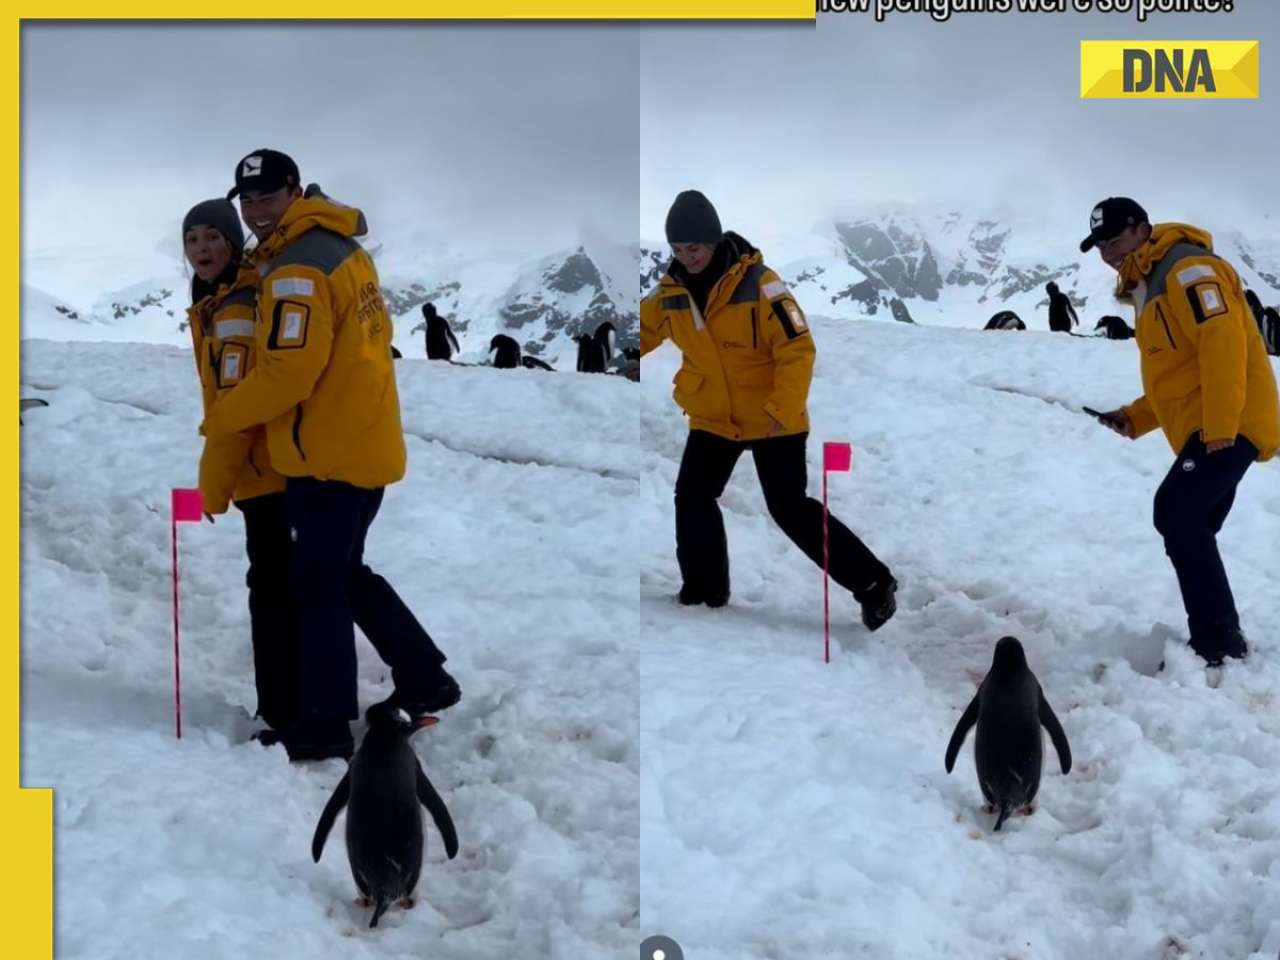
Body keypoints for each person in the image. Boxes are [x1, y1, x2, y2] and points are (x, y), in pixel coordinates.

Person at [200, 149, 460, 761]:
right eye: (248, 200)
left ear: (293, 190)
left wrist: (221, 419)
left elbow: (289, 370)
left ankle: (322, 725)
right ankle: (426, 676)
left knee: (315, 584)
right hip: (359, 438)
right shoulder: (339, 245)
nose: (256, 211)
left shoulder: (299, 266)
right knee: (341, 573)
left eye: (267, 196)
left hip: (327, 453)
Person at [640, 190, 897, 630]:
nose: (687, 257)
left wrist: (784, 404)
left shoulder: (762, 284)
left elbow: (798, 347)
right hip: (714, 418)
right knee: (694, 496)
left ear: (714, 241)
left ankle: (875, 584)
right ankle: (704, 591)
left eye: (695, 248)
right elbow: (639, 332)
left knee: (789, 508)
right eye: (678, 250)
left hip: (772, 416)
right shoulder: (670, 294)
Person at [1085, 197, 1279, 666]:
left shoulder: (1187, 269)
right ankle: (1218, 637)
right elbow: (1179, 376)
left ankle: (1218, 644)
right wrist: (1135, 416)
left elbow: (1223, 343)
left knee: (1177, 512)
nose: (1108, 252)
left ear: (1141, 229)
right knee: (1188, 523)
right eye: (1099, 245)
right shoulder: (1149, 284)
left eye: (1115, 239)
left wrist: (1220, 425)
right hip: (1212, 422)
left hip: (1232, 422)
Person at [183, 198, 299, 742]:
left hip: (266, 473)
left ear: (232, 241)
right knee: (290, 586)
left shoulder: (234, 307)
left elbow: (236, 411)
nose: (201, 249)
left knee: (273, 593)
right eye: (191, 240)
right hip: (274, 468)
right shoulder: (217, 297)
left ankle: (281, 711)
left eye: (211, 237)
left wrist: (213, 488)